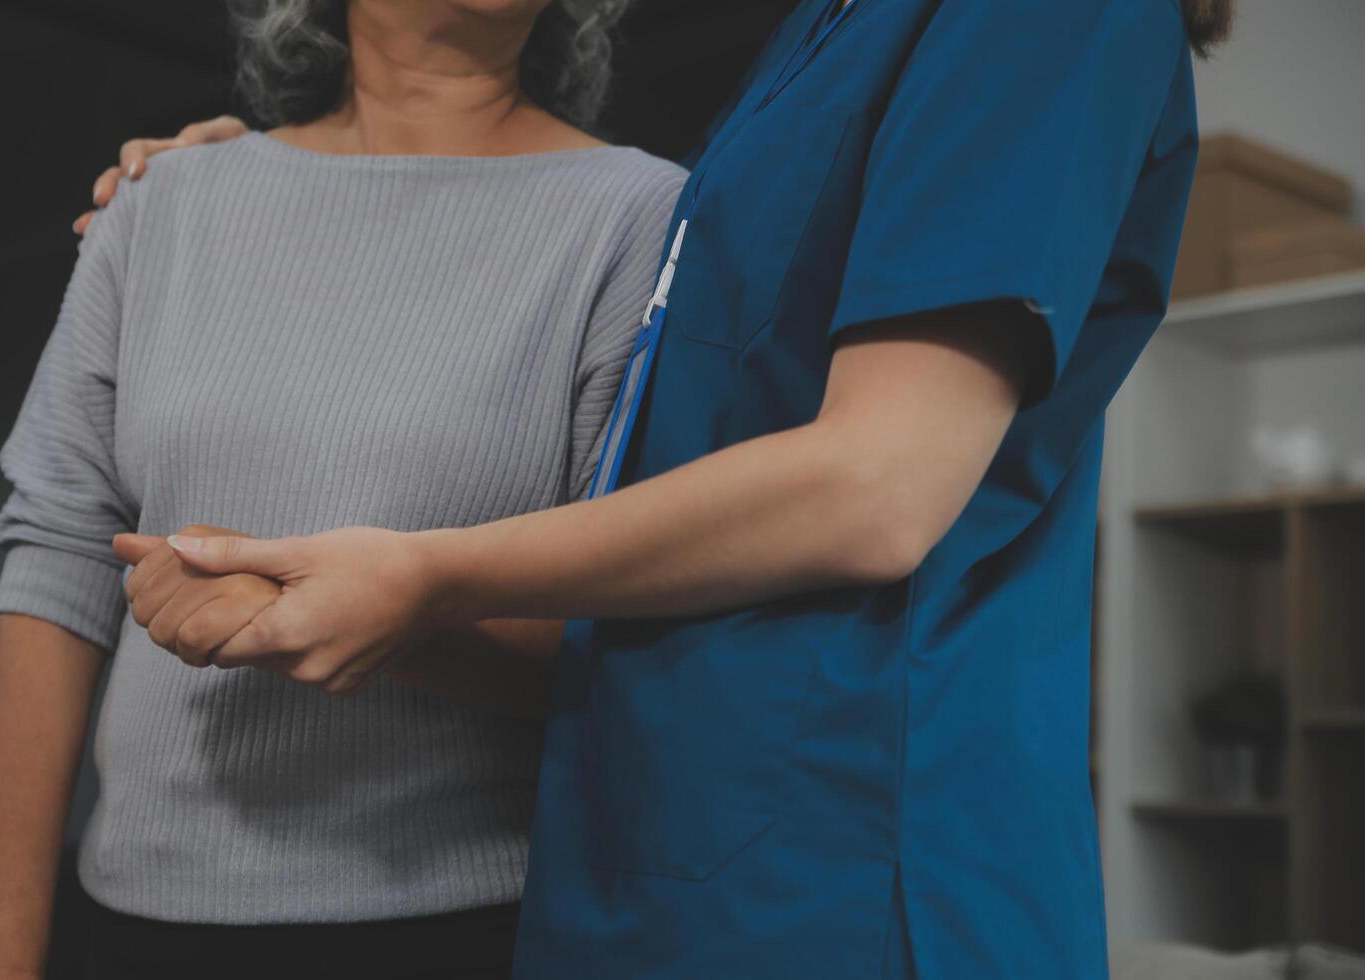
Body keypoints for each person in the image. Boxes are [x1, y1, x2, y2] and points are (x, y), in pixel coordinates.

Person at [102, 0, 1234, 975]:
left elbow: (877, 485)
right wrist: (250, 183)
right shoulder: (825, 35)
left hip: (841, 868)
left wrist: (427, 574)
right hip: (661, 845)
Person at [0, 1, 686, 978]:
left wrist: (323, 616)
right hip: (126, 920)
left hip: (467, 926)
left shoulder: (640, 215)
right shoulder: (163, 199)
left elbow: (628, 640)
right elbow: (56, 555)